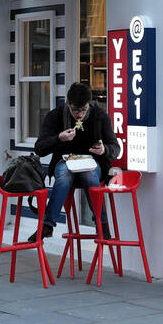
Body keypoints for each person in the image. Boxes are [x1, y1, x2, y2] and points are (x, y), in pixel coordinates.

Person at [31, 81, 120, 239]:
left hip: (93, 164)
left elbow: (115, 148)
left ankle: (101, 224)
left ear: (89, 104)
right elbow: (39, 148)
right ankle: (47, 225)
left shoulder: (100, 117)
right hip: (65, 162)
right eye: (75, 110)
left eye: (83, 109)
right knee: (64, 174)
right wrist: (59, 138)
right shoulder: (55, 116)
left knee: (89, 174)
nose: (79, 114)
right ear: (68, 103)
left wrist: (104, 149)